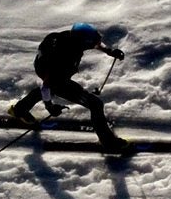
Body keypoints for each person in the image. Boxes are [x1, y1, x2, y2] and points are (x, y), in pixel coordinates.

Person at [8, 22, 128, 151]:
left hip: (45, 67)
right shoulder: (63, 59)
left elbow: (95, 44)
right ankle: (108, 142)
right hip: (54, 74)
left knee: (53, 87)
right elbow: (46, 86)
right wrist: (50, 106)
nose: (95, 45)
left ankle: (19, 110)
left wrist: (109, 51)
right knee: (95, 104)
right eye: (90, 44)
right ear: (82, 43)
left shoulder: (67, 36)